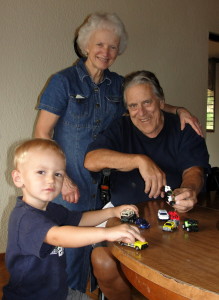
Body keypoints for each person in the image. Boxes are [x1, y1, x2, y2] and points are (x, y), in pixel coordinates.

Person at [34, 12, 203, 294]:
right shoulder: (63, 82)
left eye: (113, 47)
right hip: (71, 182)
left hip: (102, 185)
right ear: (86, 45)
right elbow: (42, 133)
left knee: (101, 251)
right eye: (99, 45)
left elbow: (145, 102)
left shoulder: (117, 85)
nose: (106, 52)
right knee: (69, 254)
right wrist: (61, 178)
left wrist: (178, 110)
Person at [84, 70, 210, 300]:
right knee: (102, 260)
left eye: (147, 102)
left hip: (175, 219)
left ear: (161, 102)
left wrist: (190, 189)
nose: (140, 112)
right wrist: (139, 160)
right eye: (133, 106)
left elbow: (194, 170)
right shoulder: (121, 127)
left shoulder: (183, 128)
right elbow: (91, 160)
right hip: (123, 212)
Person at [2, 138, 144, 300]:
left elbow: (80, 219)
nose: (51, 180)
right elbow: (58, 236)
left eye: (58, 174)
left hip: (59, 291)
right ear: (18, 178)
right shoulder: (24, 218)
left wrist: (112, 212)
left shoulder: (51, 209)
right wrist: (106, 233)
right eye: (41, 172)